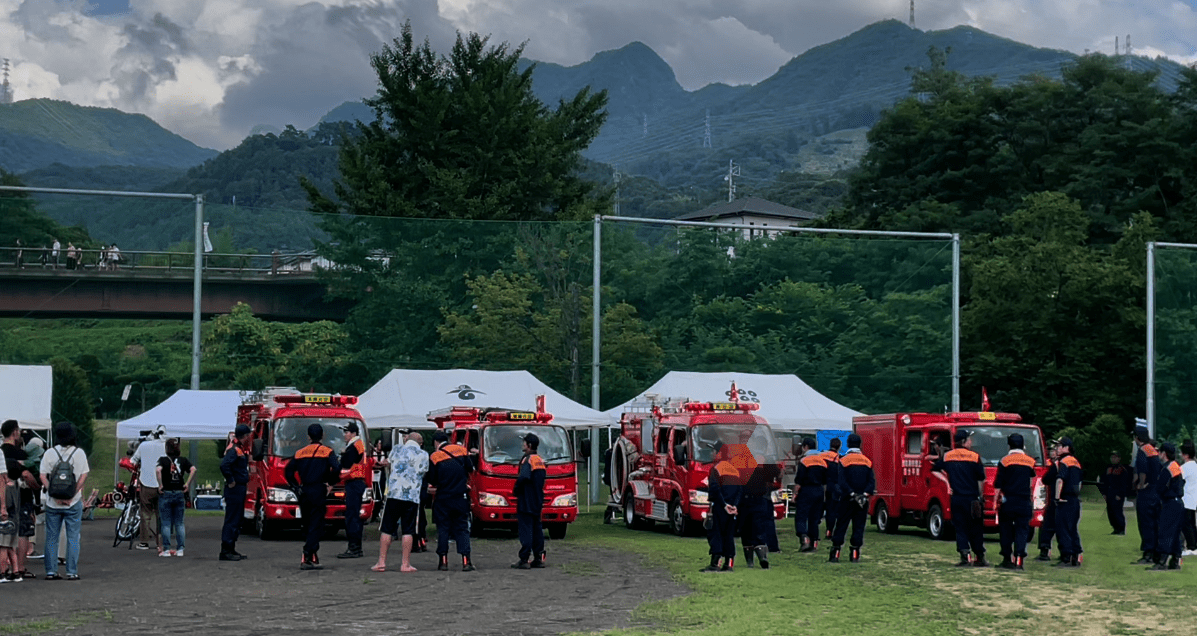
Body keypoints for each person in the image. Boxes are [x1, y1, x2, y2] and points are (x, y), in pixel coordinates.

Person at [285, 424, 341, 570]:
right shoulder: (327, 452)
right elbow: (337, 468)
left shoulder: (299, 453)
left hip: (304, 491)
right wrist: (330, 482)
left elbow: (288, 472)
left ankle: (312, 554)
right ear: (322, 436)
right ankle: (308, 554)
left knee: (307, 523)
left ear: (308, 437)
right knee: (317, 524)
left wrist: (295, 487)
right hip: (319, 489)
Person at [39, 421, 89, 580]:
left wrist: (53, 494)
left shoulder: (50, 453)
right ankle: (72, 571)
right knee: (73, 537)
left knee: (51, 537)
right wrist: (73, 494)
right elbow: (83, 476)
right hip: (73, 503)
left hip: (53, 503)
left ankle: (51, 571)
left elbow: (42, 476)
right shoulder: (79, 453)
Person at [372, 431, 427, 573]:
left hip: (394, 494)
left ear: (407, 439)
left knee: (387, 528)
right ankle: (405, 564)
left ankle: (381, 562)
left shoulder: (396, 449)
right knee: (408, 530)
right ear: (420, 443)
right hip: (411, 497)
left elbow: (387, 463)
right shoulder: (423, 454)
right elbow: (422, 471)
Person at [933, 429, 987, 567]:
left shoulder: (947, 456)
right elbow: (981, 479)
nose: (971, 442)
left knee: (960, 528)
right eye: (969, 440)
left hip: (957, 498)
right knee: (976, 528)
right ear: (963, 442)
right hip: (972, 499)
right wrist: (981, 496)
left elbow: (934, 469)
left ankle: (965, 556)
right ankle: (979, 557)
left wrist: (946, 483)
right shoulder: (975, 457)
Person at [427, 431, 475, 572]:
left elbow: (432, 479)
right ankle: (466, 561)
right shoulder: (461, 450)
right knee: (462, 529)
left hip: (443, 498)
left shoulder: (435, 457)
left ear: (436, 442)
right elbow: (470, 468)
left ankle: (443, 562)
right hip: (461, 497)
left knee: (443, 529)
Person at [828, 433, 875, 563]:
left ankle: (835, 554)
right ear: (860, 445)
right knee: (859, 526)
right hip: (862, 501)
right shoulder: (867, 461)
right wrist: (864, 495)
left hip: (847, 499)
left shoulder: (843, 461)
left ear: (848, 444)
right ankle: (855, 554)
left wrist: (852, 494)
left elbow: (841, 481)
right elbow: (871, 482)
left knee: (842, 525)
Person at [994, 433, 1036, 570]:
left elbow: (998, 484)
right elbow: (1031, 481)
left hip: (1009, 500)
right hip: (1024, 501)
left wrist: (995, 502)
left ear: (1009, 445)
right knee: (1022, 530)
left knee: (1005, 529)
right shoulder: (1030, 461)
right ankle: (1019, 559)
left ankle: (1007, 559)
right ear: (1022, 445)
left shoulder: (1005, 461)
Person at [1, 420, 37, 580]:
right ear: (15, 432)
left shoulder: (1, 451)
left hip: (4, 496)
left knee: (4, 535)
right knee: (21, 532)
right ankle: (19, 567)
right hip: (21, 495)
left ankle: (6, 566)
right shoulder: (20, 454)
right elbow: (27, 475)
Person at [738, 439, 780, 568]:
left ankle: (750, 561)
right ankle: (763, 556)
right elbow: (777, 473)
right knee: (759, 528)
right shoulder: (765, 459)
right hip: (761, 498)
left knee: (745, 530)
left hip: (744, 499)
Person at [701, 442, 741, 572]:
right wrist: (734, 506)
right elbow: (740, 490)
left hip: (720, 507)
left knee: (716, 533)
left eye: (714, 451)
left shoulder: (716, 469)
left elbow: (715, 490)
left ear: (719, 453)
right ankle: (729, 564)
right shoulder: (734, 469)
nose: (712, 453)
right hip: (732, 510)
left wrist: (724, 505)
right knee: (729, 536)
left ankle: (715, 564)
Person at [512, 433, 547, 570]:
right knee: (537, 529)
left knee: (526, 529)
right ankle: (539, 557)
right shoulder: (540, 460)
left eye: (524, 443)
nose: (523, 445)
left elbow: (524, 477)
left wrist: (516, 489)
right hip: (537, 499)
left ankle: (524, 559)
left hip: (526, 500)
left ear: (529, 445)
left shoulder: (527, 460)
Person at [155, 438, 194, 558]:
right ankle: (180, 548)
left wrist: (160, 484)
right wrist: (187, 483)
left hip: (166, 492)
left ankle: (166, 549)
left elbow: (158, 470)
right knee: (179, 523)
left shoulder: (163, 460)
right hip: (179, 492)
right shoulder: (183, 460)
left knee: (166, 523)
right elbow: (193, 469)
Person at [131, 426, 167, 553]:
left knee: (145, 514)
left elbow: (133, 461)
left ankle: (144, 542)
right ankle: (161, 543)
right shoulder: (166, 446)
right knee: (161, 515)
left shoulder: (144, 445)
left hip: (146, 483)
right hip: (162, 484)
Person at [218, 424, 251, 561]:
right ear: (244, 436)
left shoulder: (239, 449)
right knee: (232, 519)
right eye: (248, 435)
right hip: (235, 489)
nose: (250, 438)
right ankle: (226, 550)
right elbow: (224, 465)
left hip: (239, 488)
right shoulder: (234, 450)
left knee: (237, 519)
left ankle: (231, 548)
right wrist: (231, 479)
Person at [1150, 443, 1185, 570]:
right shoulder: (1176, 466)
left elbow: (1160, 487)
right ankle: (1175, 561)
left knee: (1165, 531)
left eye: (1160, 452)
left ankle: (1162, 561)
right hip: (1178, 502)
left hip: (1170, 503)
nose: (1158, 454)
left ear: (1164, 453)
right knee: (1175, 533)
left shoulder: (1167, 468)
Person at [336, 422, 368, 559]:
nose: (345, 435)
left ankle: (354, 548)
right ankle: (355, 547)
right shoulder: (357, 445)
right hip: (355, 482)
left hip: (354, 483)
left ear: (353, 433)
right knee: (353, 516)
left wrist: (342, 455)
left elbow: (347, 462)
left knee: (352, 517)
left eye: (347, 432)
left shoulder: (355, 446)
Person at [792, 437, 828, 553]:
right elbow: (826, 479)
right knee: (814, 518)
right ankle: (814, 543)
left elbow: (799, 480)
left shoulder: (804, 461)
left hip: (806, 490)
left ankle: (804, 540)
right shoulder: (823, 461)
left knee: (801, 516)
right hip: (819, 490)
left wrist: (794, 495)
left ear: (805, 447)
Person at [1133, 426, 1162, 565]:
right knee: (1154, 522)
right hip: (1156, 490)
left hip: (1147, 491)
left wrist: (1141, 484)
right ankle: (1156, 551)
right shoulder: (1153, 450)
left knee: (1145, 522)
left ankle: (1148, 553)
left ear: (1137, 437)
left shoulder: (1142, 450)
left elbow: (1142, 470)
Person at [1053, 437, 1083, 567]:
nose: (1057, 449)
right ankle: (1076, 555)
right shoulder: (1076, 462)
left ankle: (1066, 557)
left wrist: (1057, 497)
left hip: (1065, 498)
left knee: (1063, 528)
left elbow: (1060, 480)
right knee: (1072, 529)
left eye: (1059, 446)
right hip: (1074, 499)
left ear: (1066, 448)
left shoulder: (1064, 461)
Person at [1097, 450, 1133, 535]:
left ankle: (1121, 529)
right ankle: (1115, 528)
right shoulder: (1108, 468)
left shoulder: (1122, 470)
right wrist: (1104, 493)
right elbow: (1104, 482)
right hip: (1109, 492)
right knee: (1110, 511)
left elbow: (1124, 484)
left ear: (1119, 458)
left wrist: (1120, 494)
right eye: (1112, 457)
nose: (1113, 459)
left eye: (1115, 457)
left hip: (1118, 494)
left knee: (1117, 511)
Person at [1036, 441, 1060, 561]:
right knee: (1063, 527)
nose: (1051, 453)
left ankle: (1044, 552)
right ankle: (1067, 554)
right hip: (1065, 500)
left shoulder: (1056, 465)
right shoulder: (1070, 464)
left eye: (1054, 450)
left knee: (1047, 527)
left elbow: (1046, 479)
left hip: (1053, 500)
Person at [822, 438, 843, 539]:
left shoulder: (821, 455)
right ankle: (829, 530)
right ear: (839, 446)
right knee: (832, 510)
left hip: (820, 485)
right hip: (832, 487)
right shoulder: (837, 458)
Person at [1181, 443, 1197, 556]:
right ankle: (1194, 546)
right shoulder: (1195, 466)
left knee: (1186, 524)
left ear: (1186, 455)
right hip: (1194, 498)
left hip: (1186, 498)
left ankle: (1191, 547)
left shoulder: (1184, 467)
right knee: (1192, 523)